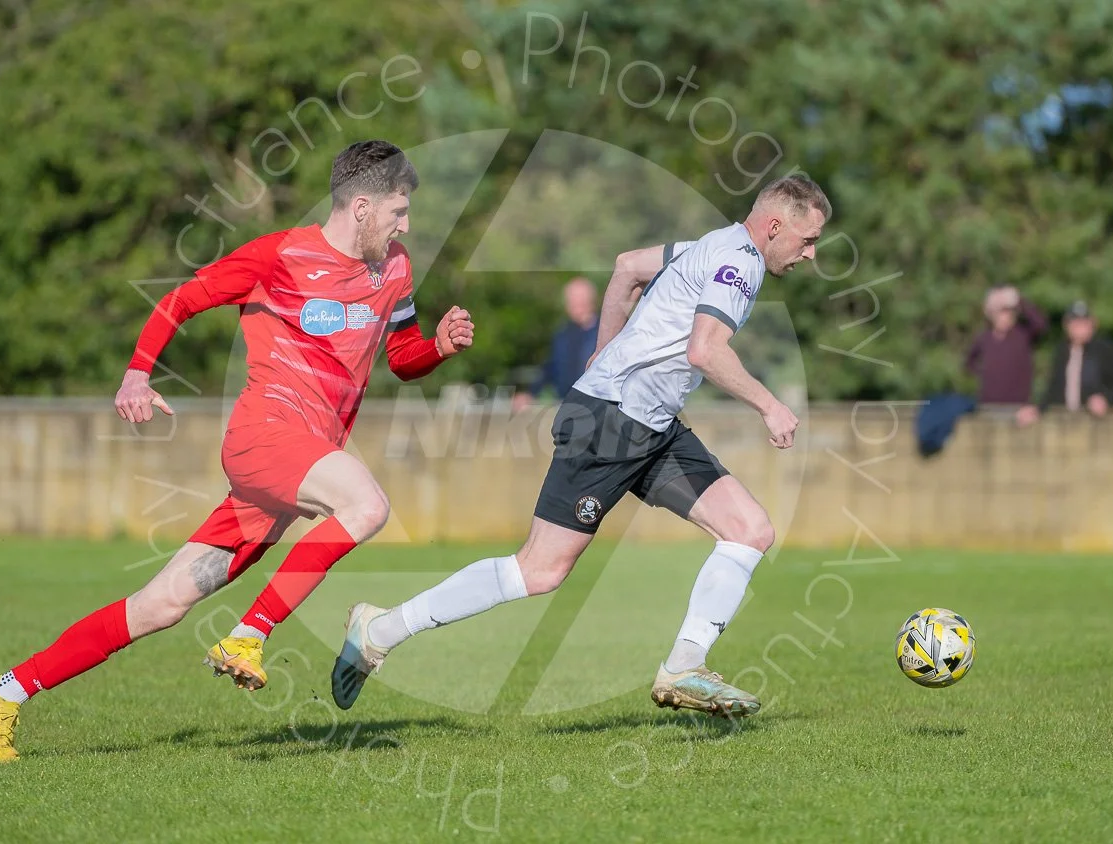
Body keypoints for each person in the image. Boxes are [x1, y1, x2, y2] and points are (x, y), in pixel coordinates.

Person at [0, 141, 475, 762]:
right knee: (367, 506)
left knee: (161, 604)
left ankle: (6, 690)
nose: (407, 225)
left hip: (298, 464)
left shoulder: (394, 266)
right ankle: (248, 634)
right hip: (265, 436)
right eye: (399, 210)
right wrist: (136, 374)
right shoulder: (279, 255)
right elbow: (181, 300)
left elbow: (401, 357)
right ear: (362, 206)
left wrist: (438, 349)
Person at [331, 174, 829, 718]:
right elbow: (705, 351)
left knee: (750, 530)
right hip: (611, 424)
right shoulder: (742, 263)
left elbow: (628, 266)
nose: (810, 254)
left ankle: (684, 666)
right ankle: (380, 629)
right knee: (538, 570)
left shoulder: (709, 245)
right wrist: (769, 405)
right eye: (807, 240)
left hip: (651, 425)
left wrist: (603, 352)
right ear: (774, 226)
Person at [1017, 300, 1113, 426]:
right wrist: (1037, 409)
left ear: (1092, 323)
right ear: (1066, 325)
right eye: (1075, 323)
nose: (1079, 327)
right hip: (1066, 422)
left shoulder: (1105, 349)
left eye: (1083, 322)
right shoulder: (1062, 351)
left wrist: (1106, 399)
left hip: (1099, 424)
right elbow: (1054, 389)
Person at [511, 277, 599, 412]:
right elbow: (550, 368)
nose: (574, 304)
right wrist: (530, 393)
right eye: (571, 300)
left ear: (591, 301)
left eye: (579, 299)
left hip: (597, 407)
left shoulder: (606, 334)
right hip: (567, 406)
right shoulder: (562, 334)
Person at [965, 285, 1047, 405]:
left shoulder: (1022, 335)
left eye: (1008, 313)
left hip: (1018, 406)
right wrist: (984, 373)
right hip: (988, 405)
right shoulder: (984, 338)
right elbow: (968, 362)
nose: (1004, 318)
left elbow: (1041, 325)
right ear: (991, 315)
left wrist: (1019, 301)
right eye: (1000, 313)